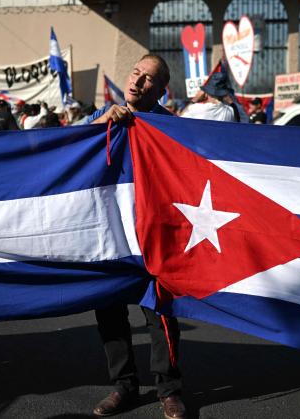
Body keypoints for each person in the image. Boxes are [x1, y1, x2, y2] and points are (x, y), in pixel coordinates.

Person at [87, 54, 186, 419]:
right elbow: (71, 145)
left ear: (161, 90)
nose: (138, 82)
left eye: (148, 80)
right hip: (109, 233)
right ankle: (124, 387)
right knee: (109, 313)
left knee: (159, 314)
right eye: (136, 73)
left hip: (151, 236)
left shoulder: (170, 126)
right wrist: (102, 123)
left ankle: (169, 390)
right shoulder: (103, 116)